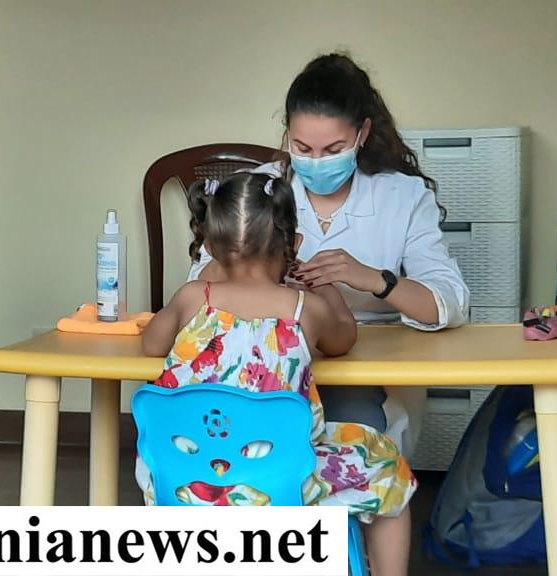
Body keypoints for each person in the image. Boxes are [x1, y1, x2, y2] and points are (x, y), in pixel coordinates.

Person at [187, 53, 470, 572]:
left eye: (333, 149)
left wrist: (373, 279)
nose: (316, 161)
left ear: (362, 134)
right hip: (259, 378)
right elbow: (199, 284)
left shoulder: (401, 196)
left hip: (361, 377)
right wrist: (258, 275)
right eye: (302, 148)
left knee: (349, 433)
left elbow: (448, 303)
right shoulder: (261, 189)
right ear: (287, 136)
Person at [140, 172, 417, 576]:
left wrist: (200, 285)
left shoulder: (191, 298)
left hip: (184, 480)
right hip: (280, 485)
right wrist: (326, 289)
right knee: (387, 462)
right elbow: (343, 339)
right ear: (294, 243)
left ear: (211, 246)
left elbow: (151, 344)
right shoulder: (304, 308)